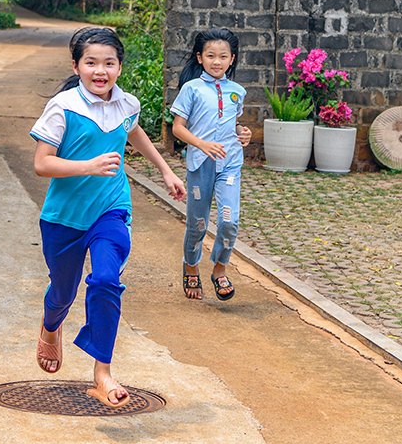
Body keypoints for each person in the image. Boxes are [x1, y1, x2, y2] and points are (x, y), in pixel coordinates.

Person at [29, 26, 186, 408]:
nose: (101, 71)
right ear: (77, 65)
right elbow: (41, 164)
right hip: (64, 218)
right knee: (62, 294)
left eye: (109, 63)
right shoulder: (63, 106)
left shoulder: (126, 103)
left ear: (119, 67)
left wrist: (165, 170)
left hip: (111, 211)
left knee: (104, 280)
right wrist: (88, 165)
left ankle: (102, 373)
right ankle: (52, 327)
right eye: (91, 62)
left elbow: (135, 134)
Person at [170, 27, 251, 301]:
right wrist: (202, 144)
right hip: (200, 163)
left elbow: (232, 123)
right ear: (200, 57)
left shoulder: (237, 92)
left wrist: (243, 132)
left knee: (230, 220)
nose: (217, 62)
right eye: (211, 56)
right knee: (198, 223)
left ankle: (219, 268)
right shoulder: (191, 89)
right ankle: (191, 265)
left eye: (223, 56)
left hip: (229, 163)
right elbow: (178, 129)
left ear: (232, 59)